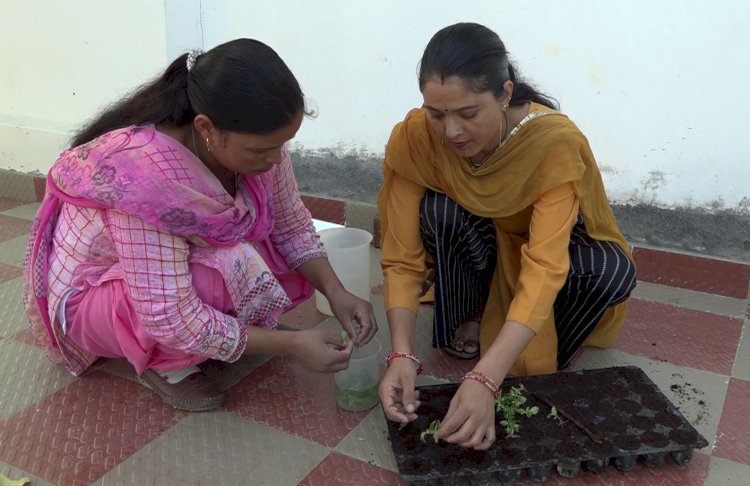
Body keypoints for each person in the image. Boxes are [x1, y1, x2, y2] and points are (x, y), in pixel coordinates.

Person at [23, 38, 377, 412]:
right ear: (207, 127)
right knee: (229, 267)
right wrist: (289, 345)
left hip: (158, 281)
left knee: (262, 249)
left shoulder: (258, 143)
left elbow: (291, 227)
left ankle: (230, 334)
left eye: (283, 144)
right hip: (92, 300)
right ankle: (163, 362)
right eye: (261, 150)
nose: (276, 159)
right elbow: (170, 316)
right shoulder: (143, 181)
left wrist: (337, 292)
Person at [377, 23, 636, 450]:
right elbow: (402, 257)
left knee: (610, 270)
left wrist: (484, 378)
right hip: (484, 237)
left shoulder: (551, 141)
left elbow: (545, 266)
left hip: (548, 250)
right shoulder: (416, 138)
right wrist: (401, 352)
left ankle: (535, 340)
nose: (451, 132)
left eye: (468, 113)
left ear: (504, 94)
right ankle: (473, 314)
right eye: (437, 113)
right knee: (438, 211)